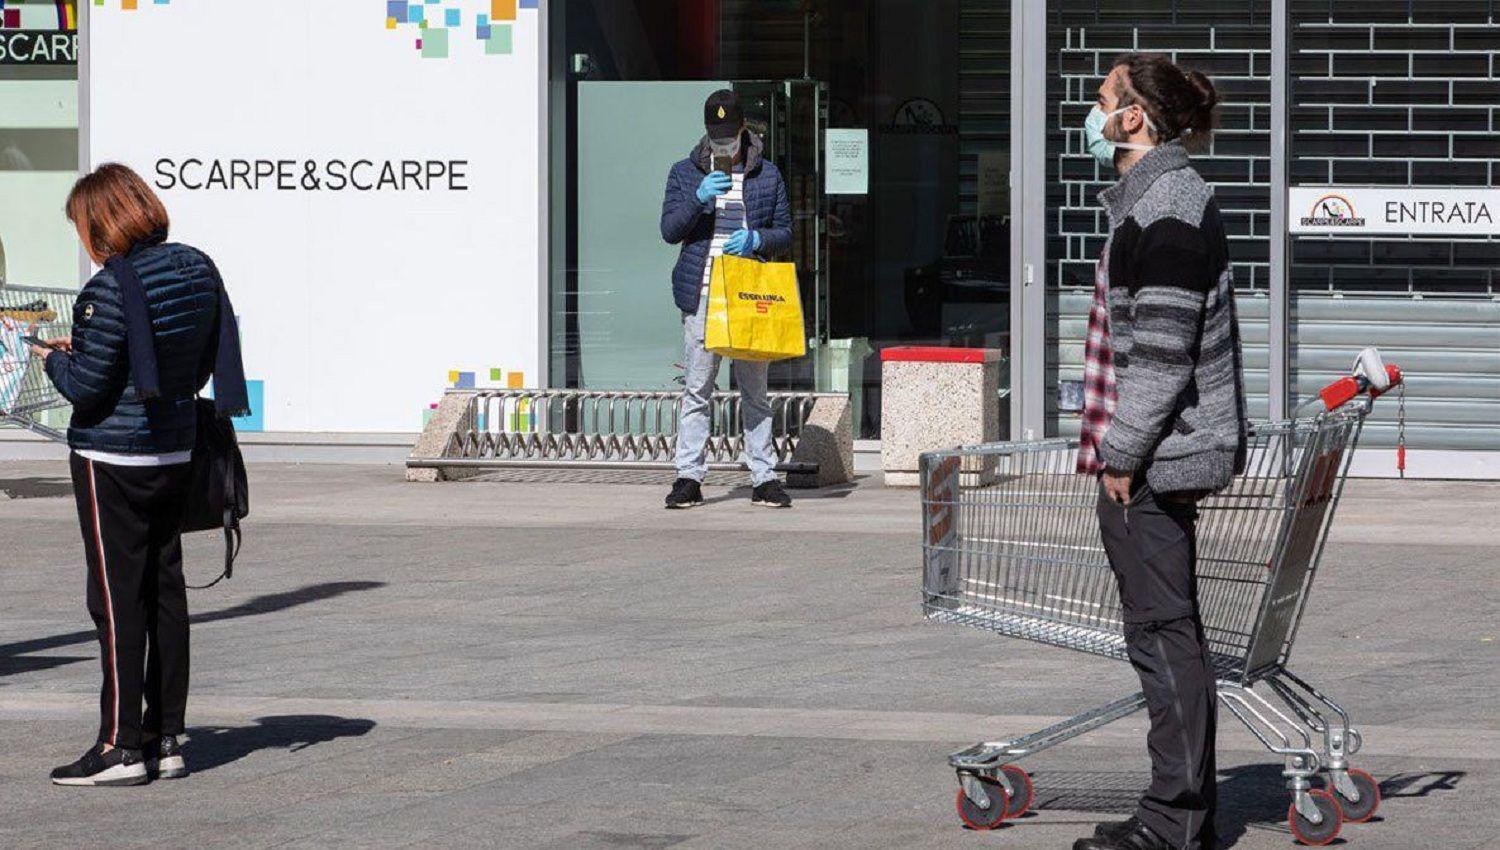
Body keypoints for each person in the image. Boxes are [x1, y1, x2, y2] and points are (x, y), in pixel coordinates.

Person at [1072, 54, 1248, 850]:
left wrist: (1121, 454)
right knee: (1168, 629)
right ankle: (1186, 812)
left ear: (1134, 118)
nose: (1092, 112)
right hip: (1157, 452)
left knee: (1161, 631)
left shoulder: (1168, 208)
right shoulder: (1157, 200)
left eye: (1102, 100)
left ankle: (1173, 821)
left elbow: (1165, 354)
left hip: (1155, 458)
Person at [32, 163, 248, 787]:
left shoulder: (107, 290)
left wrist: (52, 361)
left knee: (115, 600)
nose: (83, 239)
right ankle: (166, 737)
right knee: (165, 595)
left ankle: (120, 747)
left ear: (102, 223)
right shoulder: (195, 267)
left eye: (83, 226)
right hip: (174, 451)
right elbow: (201, 357)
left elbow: (88, 389)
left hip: (113, 461)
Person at [659, 90, 795, 510]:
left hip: (748, 294)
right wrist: (698, 199)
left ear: (743, 131)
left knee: (754, 390)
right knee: (697, 388)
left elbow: (786, 233)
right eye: (714, 139)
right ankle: (688, 476)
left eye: (728, 139)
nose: (722, 147)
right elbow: (669, 230)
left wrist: (756, 238)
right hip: (702, 295)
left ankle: (763, 476)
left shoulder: (767, 175)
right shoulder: (684, 173)